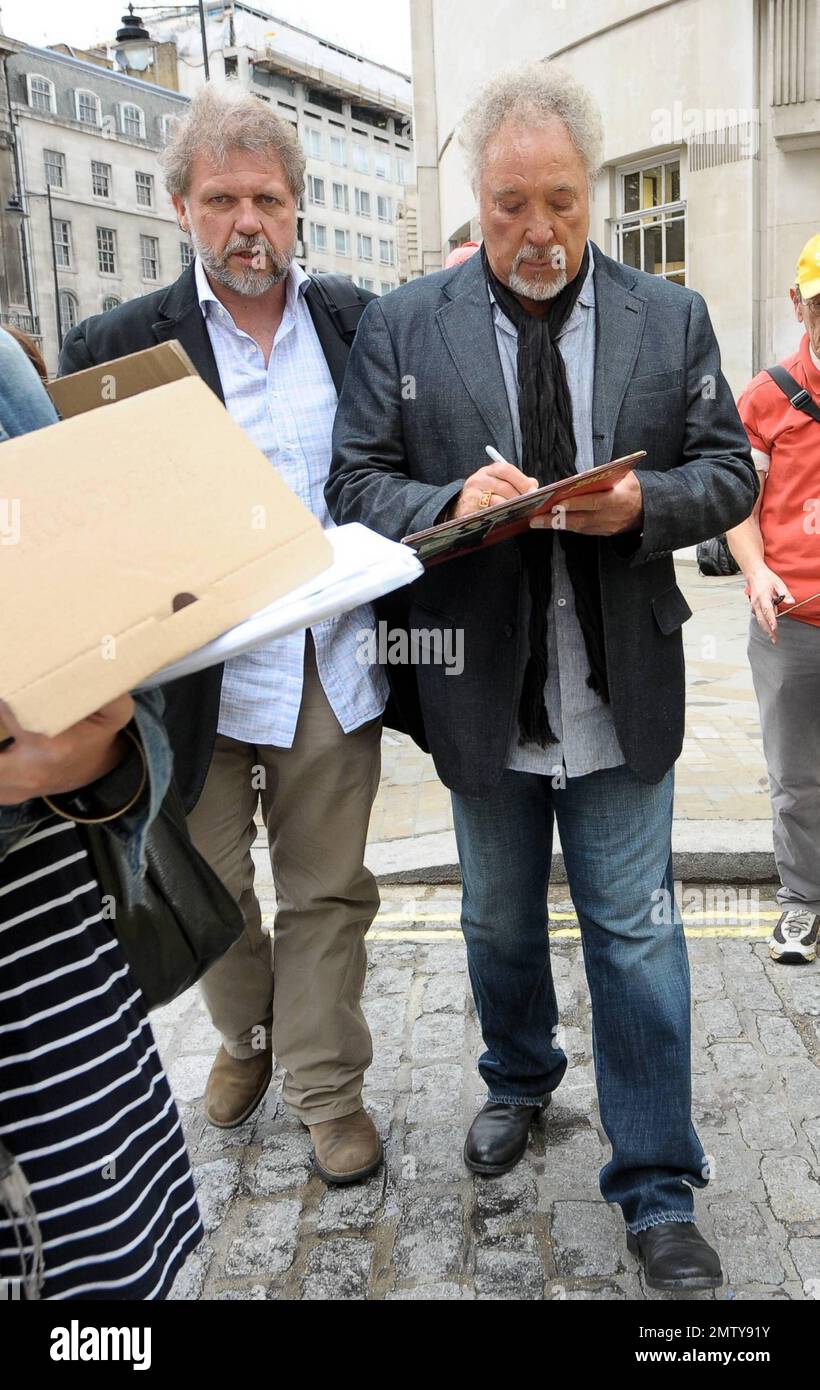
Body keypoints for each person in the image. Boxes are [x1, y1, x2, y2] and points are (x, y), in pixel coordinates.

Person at [327, 61, 758, 1290]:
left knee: (636, 937)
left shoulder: (667, 319)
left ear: (593, 194)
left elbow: (732, 471)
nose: (537, 233)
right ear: (477, 195)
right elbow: (353, 486)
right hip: (478, 688)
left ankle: (658, 1184)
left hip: (621, 690)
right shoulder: (407, 326)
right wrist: (448, 502)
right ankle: (519, 1078)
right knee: (496, 919)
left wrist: (643, 504)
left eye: (560, 202)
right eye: (510, 205)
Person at [59, 83, 386, 1186]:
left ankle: (326, 1087)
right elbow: (80, 520)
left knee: (328, 891)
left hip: (325, 666)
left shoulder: (355, 325)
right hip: (188, 680)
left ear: (297, 209)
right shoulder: (117, 345)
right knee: (214, 887)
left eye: (269, 199)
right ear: (179, 206)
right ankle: (245, 1043)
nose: (249, 221)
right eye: (222, 199)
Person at [0, 328, 203, 1299]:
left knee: (100, 1296)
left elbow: (130, 686)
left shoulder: (0, 370)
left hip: (39, 965)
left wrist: (102, 753)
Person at [727, 234, 820, 964]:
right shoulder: (765, 398)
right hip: (793, 622)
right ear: (799, 306)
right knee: (796, 779)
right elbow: (738, 507)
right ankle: (802, 903)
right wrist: (756, 571)